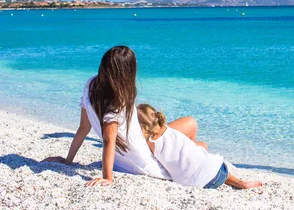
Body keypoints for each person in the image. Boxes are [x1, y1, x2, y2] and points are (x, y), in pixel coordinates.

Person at [44, 46, 199, 186]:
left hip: (121, 160)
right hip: (144, 156)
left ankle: (187, 160)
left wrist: (67, 160)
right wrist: (107, 177)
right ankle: (187, 163)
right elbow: (108, 139)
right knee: (191, 125)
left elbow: (84, 128)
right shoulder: (117, 101)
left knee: (193, 142)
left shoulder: (90, 85)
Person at [137, 103, 262, 189]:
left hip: (194, 184)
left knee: (198, 156)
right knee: (208, 159)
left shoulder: (149, 143)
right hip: (219, 174)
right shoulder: (170, 130)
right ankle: (240, 183)